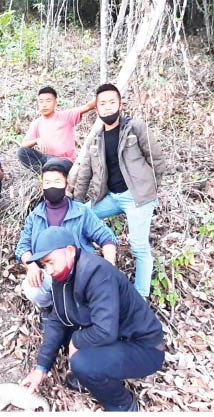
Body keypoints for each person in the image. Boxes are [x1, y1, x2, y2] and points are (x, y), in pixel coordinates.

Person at [19, 227, 165, 412]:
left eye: (50, 262)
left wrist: (76, 342)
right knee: (66, 336)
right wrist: (42, 367)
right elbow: (58, 319)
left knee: (81, 362)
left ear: (70, 251)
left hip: (144, 348)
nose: (48, 270)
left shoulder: (97, 273)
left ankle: (123, 404)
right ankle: (90, 375)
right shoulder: (63, 273)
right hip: (116, 337)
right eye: (43, 265)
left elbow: (105, 331)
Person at [72, 83, 166, 299]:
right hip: (111, 197)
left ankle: (140, 296)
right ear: (96, 109)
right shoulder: (96, 137)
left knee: (139, 246)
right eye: (102, 104)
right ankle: (91, 269)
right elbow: (85, 170)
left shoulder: (135, 128)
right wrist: (75, 202)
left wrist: (149, 191)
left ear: (120, 105)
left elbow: (157, 160)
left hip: (137, 198)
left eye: (111, 102)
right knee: (80, 217)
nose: (107, 107)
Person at [16, 158, 118, 309]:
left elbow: (106, 237)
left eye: (57, 182)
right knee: (32, 288)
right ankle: (51, 309)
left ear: (66, 184)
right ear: (42, 186)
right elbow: (22, 247)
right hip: (49, 271)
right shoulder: (35, 216)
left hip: (79, 272)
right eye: (47, 182)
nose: (52, 186)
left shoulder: (81, 212)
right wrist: (32, 266)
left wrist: (108, 265)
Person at [17, 86, 96, 173]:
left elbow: (87, 107)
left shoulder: (66, 116)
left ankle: (49, 172)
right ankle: (46, 174)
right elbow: (23, 145)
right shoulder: (37, 123)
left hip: (65, 160)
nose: (44, 104)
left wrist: (103, 96)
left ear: (55, 103)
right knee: (22, 152)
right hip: (46, 158)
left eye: (48, 101)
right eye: (41, 101)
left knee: (54, 164)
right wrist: (36, 140)